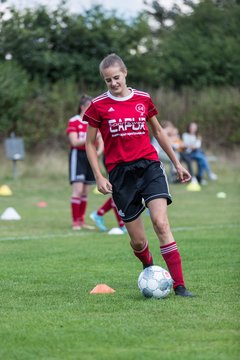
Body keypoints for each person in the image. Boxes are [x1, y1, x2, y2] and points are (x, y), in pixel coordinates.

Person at [84, 53, 194, 297]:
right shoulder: (98, 105)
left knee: (161, 223)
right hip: (121, 175)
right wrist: (99, 176)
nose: (113, 83)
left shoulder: (143, 98)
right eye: (107, 80)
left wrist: (177, 163)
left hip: (149, 167)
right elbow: (89, 144)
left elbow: (158, 132)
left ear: (125, 73)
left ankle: (180, 286)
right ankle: (148, 266)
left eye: (116, 77)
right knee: (137, 241)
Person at [66, 94, 103, 230]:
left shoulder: (93, 122)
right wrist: (90, 138)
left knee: (85, 191)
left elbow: (100, 141)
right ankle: (75, 221)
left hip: (90, 155)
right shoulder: (74, 121)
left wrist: (98, 152)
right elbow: (74, 142)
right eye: (89, 106)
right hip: (78, 156)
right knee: (78, 189)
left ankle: (81, 221)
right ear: (82, 107)